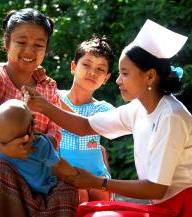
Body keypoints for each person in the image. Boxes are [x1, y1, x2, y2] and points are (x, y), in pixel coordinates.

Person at [24, 19, 192, 217]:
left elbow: (156, 189)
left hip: (188, 209)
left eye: (125, 73)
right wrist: (44, 105)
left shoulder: (171, 116)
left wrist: (97, 182)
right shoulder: (138, 108)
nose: (119, 81)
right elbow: (86, 125)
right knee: (88, 210)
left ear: (150, 76)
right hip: (164, 206)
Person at [0, 8, 78, 217]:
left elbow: (54, 136)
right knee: (1, 170)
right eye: (21, 42)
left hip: (36, 180)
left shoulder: (48, 87)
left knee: (68, 189)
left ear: (46, 49)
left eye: (38, 45)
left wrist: (36, 145)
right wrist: (5, 147)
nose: (29, 51)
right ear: (6, 42)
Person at [35, 34, 115, 203]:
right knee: (78, 195)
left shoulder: (104, 109)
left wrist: (52, 101)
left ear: (106, 78)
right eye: (86, 64)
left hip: (95, 177)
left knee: (99, 195)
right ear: (73, 66)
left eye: (100, 69)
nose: (92, 72)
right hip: (61, 174)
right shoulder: (53, 95)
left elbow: (83, 126)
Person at [0, 99, 79, 194]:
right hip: (39, 191)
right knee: (67, 189)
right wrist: (75, 174)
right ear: (30, 127)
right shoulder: (40, 144)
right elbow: (58, 164)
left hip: (8, 191)